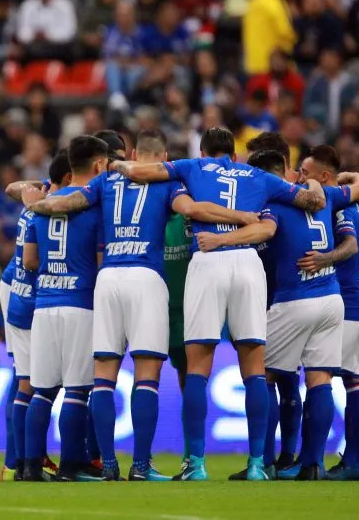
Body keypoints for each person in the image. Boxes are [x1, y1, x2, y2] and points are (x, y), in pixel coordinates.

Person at [24, 129, 257, 481]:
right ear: (164, 157)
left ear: (133, 152)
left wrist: (32, 205)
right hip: (146, 277)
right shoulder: (167, 183)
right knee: (146, 374)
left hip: (108, 279)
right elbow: (192, 210)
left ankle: (109, 466)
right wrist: (244, 218)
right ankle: (141, 466)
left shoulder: (106, 181)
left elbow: (65, 202)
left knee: (104, 374)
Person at [110, 127, 326, 481]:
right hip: (247, 263)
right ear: (235, 155)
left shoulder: (192, 167)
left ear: (205, 151)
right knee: (254, 366)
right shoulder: (258, 176)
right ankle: (258, 464)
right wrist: (315, 183)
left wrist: (117, 167)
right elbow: (311, 201)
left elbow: (138, 172)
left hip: (208, 258)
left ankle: (195, 464)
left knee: (197, 366)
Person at [204, 147, 359, 481]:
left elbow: (266, 232)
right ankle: (312, 464)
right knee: (319, 379)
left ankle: (264, 462)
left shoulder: (274, 203)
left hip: (293, 299)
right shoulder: (325, 194)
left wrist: (224, 239)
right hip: (330, 298)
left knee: (265, 375)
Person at [19, 135, 107, 483]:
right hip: (79, 303)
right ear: (99, 165)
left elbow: (29, 259)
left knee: (41, 389)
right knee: (76, 388)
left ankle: (29, 466)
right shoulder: (95, 206)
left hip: (44, 304)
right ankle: (71, 466)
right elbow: (101, 263)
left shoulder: (41, 204)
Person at [299, 145, 359, 482]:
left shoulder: (339, 204)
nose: (301, 178)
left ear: (323, 177)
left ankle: (313, 461)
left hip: (350, 303)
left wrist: (323, 259)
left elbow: (349, 246)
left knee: (321, 379)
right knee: (357, 383)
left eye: (305, 173)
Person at [3, 150, 70, 482]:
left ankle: (23, 461)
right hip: (33, 304)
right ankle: (24, 463)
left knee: (26, 382)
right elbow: (31, 262)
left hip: (19, 298)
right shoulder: (48, 209)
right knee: (31, 385)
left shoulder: (36, 204)